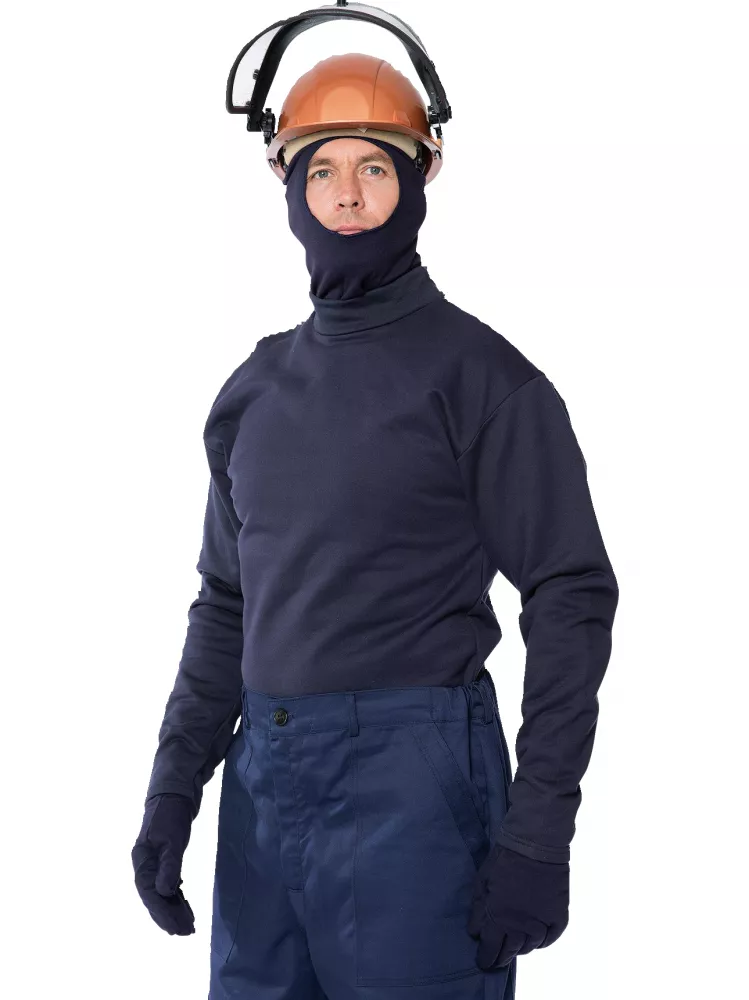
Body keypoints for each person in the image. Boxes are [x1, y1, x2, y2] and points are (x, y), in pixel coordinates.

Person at [132, 53, 619, 999]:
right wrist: (173, 786)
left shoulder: (483, 380)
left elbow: (570, 595)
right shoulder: (254, 391)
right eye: (320, 168)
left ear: (420, 174)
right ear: (286, 183)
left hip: (416, 795)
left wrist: (538, 833)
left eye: (372, 166)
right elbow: (226, 604)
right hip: (264, 787)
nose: (346, 195)